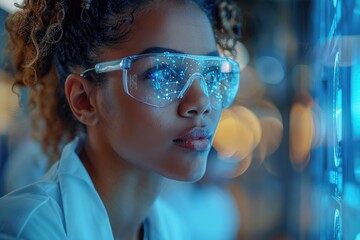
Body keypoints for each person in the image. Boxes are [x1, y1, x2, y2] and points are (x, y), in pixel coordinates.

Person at [0, 0, 241, 239]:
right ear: (84, 100)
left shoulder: (174, 230)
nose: (202, 102)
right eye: (163, 74)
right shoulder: (24, 229)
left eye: (211, 74)